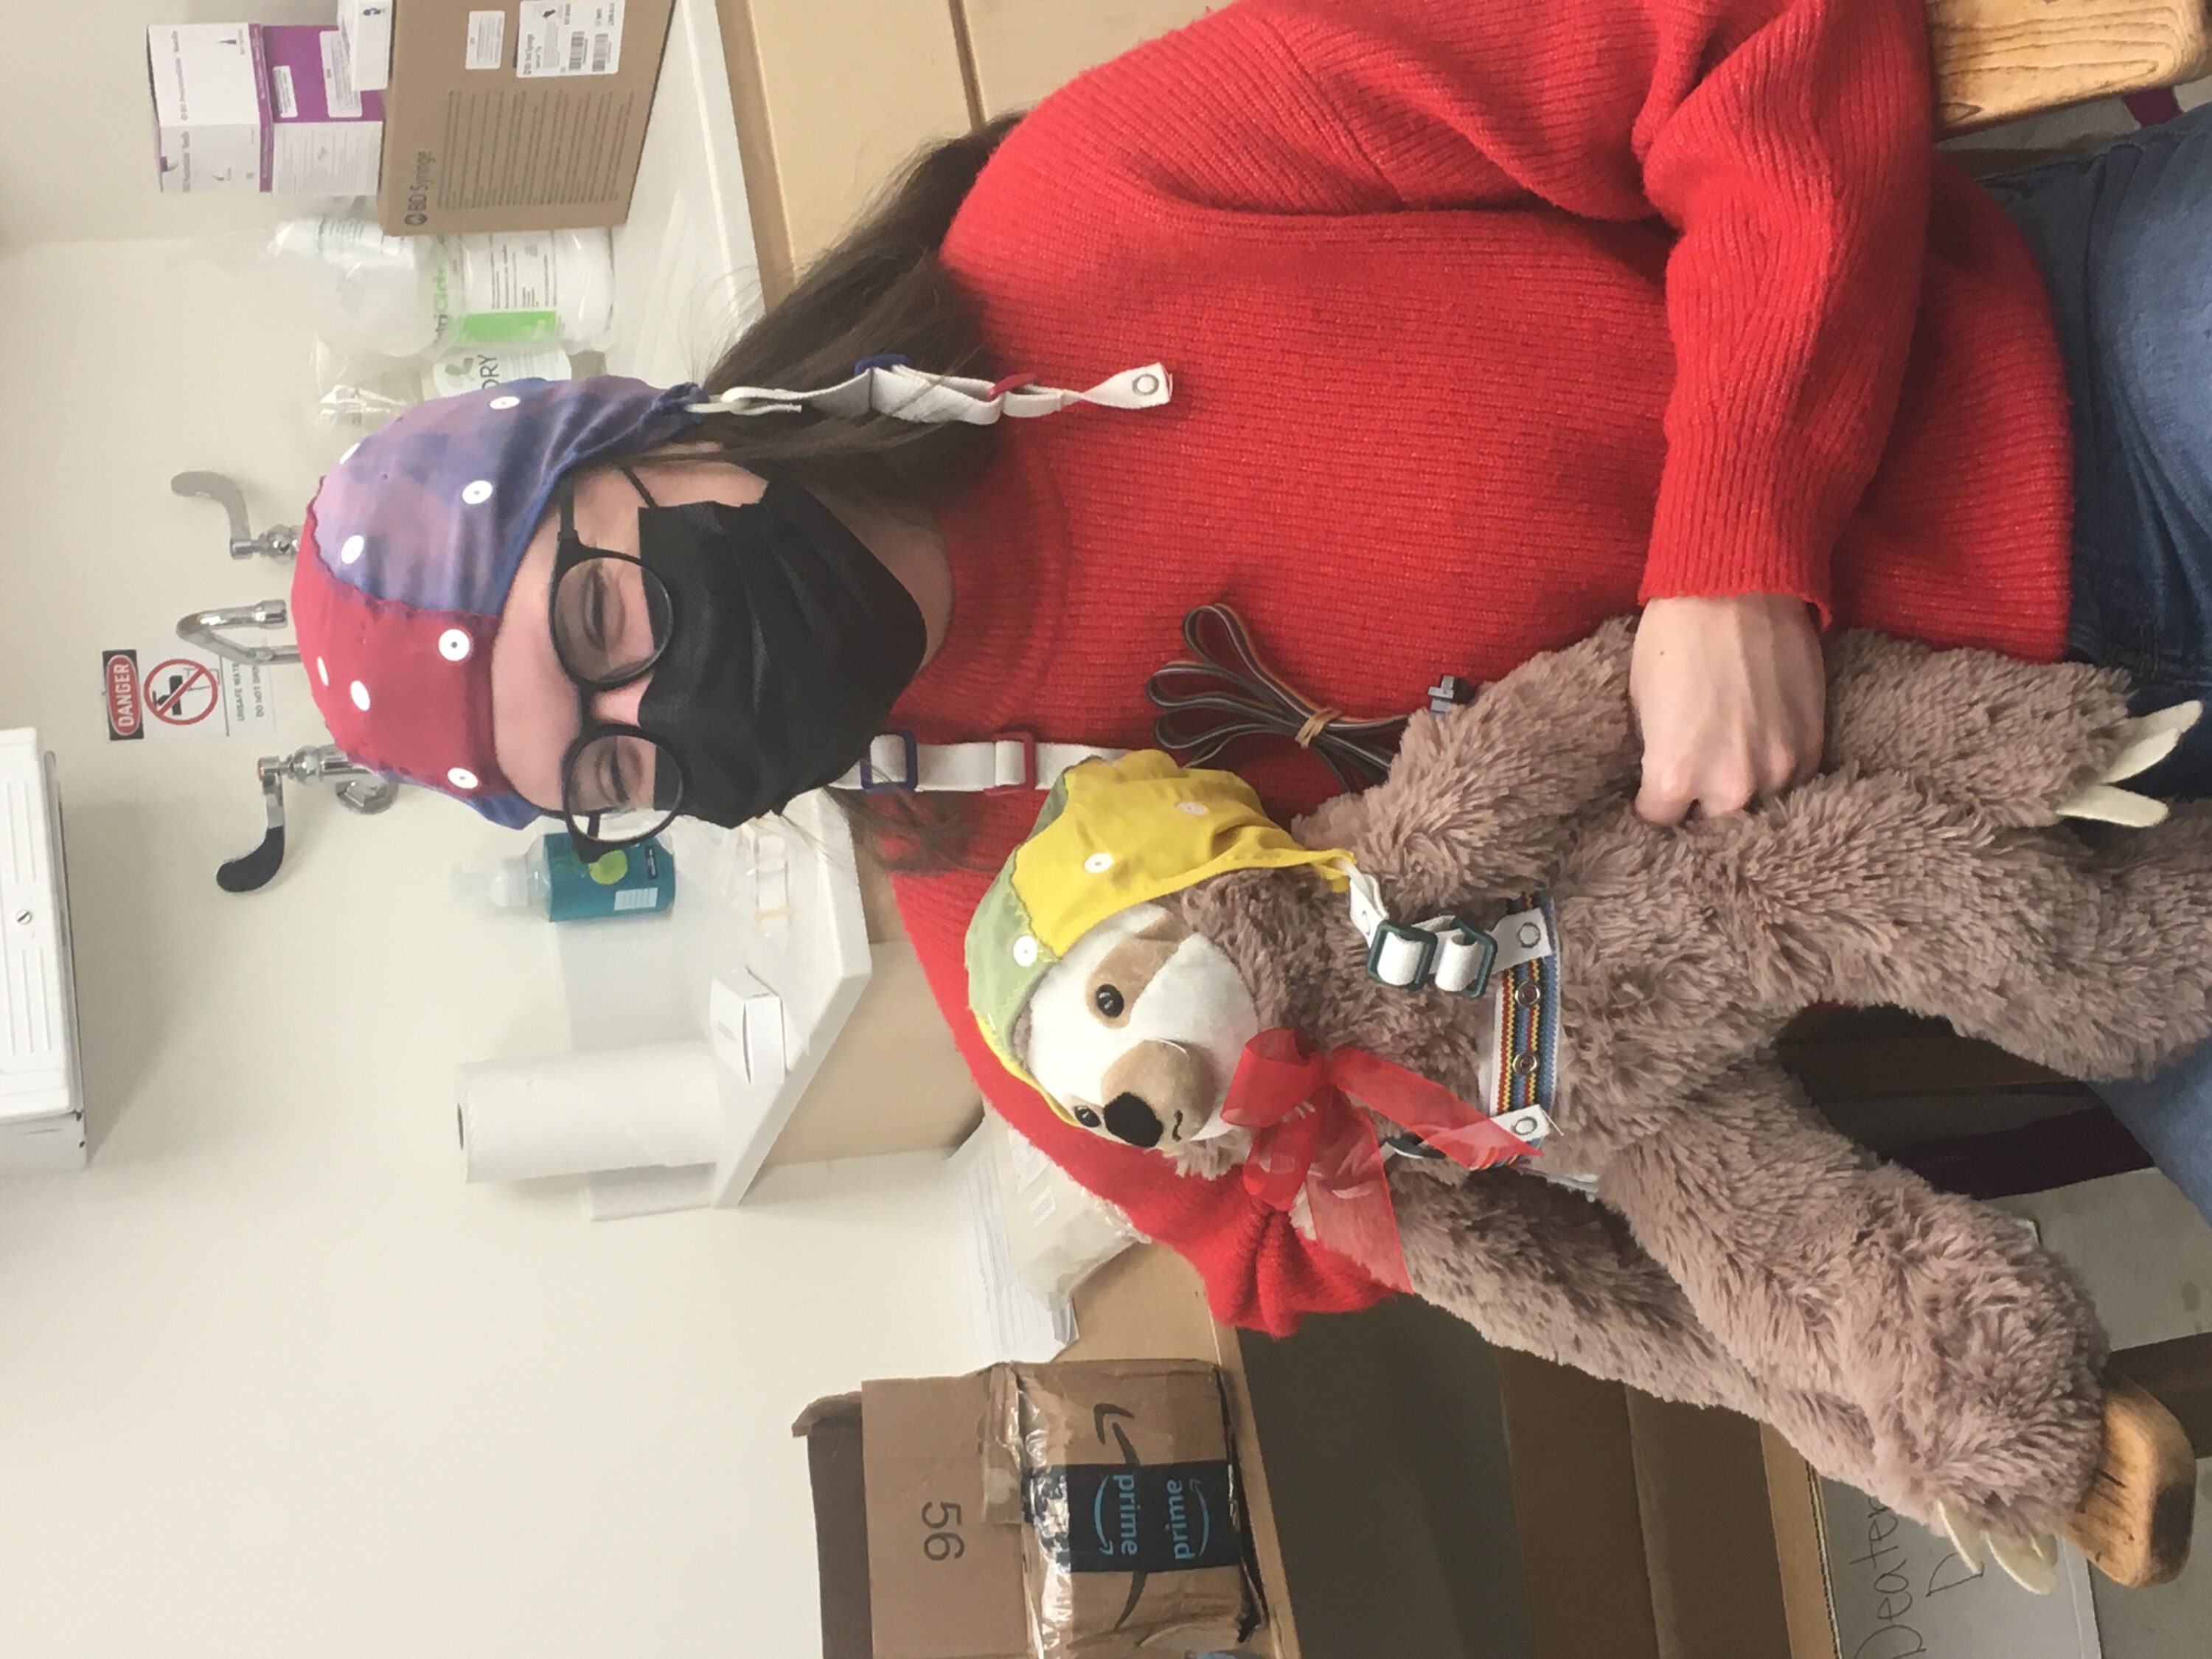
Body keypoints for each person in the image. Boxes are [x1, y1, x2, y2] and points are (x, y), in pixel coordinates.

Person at [291, 0, 2212, 1334]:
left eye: (605, 627)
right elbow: (1296, 1240)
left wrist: (1739, 540)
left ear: (650, 437)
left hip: (2075, 394)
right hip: (2051, 891)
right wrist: (1376, 1080)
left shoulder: (1101, 206)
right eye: (611, 771)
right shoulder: (1023, 959)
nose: (663, 717)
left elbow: (1723, 37)